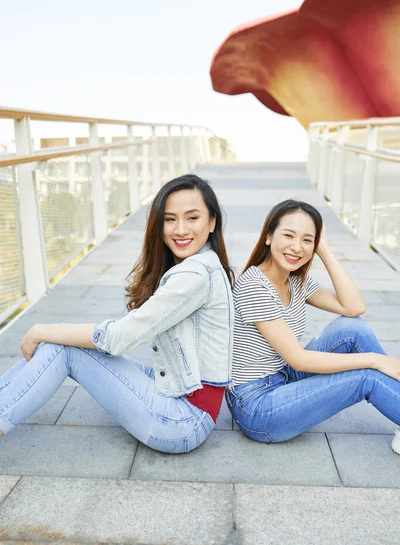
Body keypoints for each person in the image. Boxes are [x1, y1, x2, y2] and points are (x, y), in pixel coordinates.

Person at [0, 174, 234, 453]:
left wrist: (40, 329)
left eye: (192, 218)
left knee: (64, 348)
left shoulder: (194, 274)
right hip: (177, 389)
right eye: (170, 219)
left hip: (183, 419)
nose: (180, 229)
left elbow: (119, 337)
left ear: (212, 222)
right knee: (64, 343)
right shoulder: (204, 263)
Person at [226, 199, 400, 454]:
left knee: (352, 328)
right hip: (257, 406)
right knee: (366, 375)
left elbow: (353, 308)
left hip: (282, 378)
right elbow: (298, 359)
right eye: (288, 235)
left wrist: (325, 251)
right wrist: (374, 360)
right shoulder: (254, 286)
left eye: (308, 240)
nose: (297, 247)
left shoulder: (296, 281)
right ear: (268, 236)